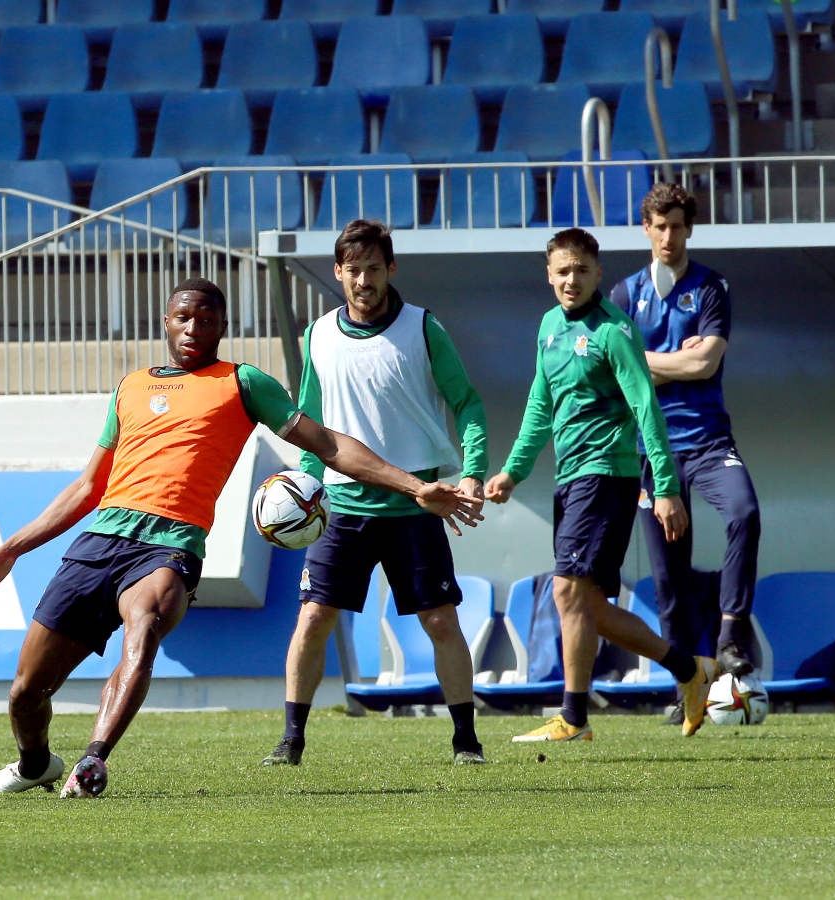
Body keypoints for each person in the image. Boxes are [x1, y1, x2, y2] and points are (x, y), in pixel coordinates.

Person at [0, 278, 480, 798]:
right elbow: (86, 487)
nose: (194, 329)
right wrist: (11, 548)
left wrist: (414, 486)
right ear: (166, 321)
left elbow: (327, 443)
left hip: (170, 545)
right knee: (26, 693)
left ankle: (92, 761)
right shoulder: (131, 387)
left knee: (142, 633)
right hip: (100, 542)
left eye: (207, 320)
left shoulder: (243, 383)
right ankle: (34, 765)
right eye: (184, 318)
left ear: (223, 328)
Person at [262, 220, 489, 768]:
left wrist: (473, 472)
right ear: (337, 273)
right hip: (340, 506)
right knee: (313, 618)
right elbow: (311, 426)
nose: (363, 280)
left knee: (440, 621)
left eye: (373, 268)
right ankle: (291, 740)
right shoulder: (317, 334)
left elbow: (469, 405)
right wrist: (304, 487)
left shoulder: (423, 328)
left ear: (391, 268)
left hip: (417, 504)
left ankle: (466, 741)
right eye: (353, 269)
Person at [483, 228, 715, 742]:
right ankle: (689, 670)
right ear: (549, 275)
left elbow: (645, 406)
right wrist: (513, 472)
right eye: (563, 270)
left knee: (568, 591)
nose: (572, 279)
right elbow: (540, 407)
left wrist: (667, 487)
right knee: (584, 605)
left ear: (598, 275)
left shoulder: (614, 330)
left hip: (607, 475)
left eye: (581, 270)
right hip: (569, 479)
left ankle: (574, 718)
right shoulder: (547, 327)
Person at [609, 183, 762, 684]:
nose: (668, 236)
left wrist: (649, 363)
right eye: (660, 226)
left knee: (745, 512)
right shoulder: (625, 294)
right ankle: (686, 689)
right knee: (669, 577)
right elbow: (618, 373)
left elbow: (707, 361)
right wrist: (680, 361)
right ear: (646, 229)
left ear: (688, 228)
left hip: (709, 441)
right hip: (652, 451)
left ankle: (731, 636)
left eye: (677, 226)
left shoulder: (711, 285)